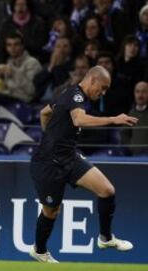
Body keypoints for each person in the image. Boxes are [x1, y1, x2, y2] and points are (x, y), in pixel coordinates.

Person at [29, 66, 137, 263]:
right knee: (51, 211)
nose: (102, 93)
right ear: (92, 80)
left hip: (69, 155)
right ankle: (39, 250)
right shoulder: (75, 94)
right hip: (49, 163)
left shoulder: (67, 94)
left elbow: (45, 112)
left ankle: (105, 238)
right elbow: (79, 119)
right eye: (102, 88)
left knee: (107, 190)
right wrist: (114, 119)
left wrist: (49, 135)